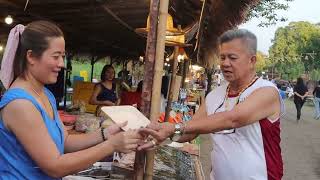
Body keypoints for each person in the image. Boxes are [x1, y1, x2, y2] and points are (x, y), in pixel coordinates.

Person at [0, 21, 143, 179]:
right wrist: (111, 145)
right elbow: (55, 166)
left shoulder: (45, 94)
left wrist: (105, 134)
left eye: (62, 56)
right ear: (31, 56)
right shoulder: (20, 104)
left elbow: (65, 141)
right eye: (56, 56)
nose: (61, 64)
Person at [139, 29, 284, 180]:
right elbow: (191, 131)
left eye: (232, 58)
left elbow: (233, 119)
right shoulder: (214, 95)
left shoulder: (267, 91)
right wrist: (162, 135)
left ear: (252, 60)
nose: (225, 63)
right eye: (222, 57)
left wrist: (176, 126)